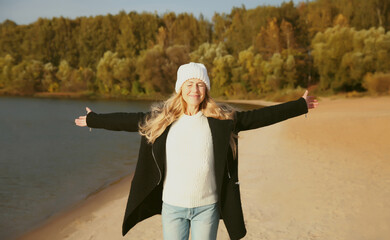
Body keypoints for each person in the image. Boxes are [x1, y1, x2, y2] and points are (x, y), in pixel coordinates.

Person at [75, 62, 318, 240]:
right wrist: (94, 120)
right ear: (180, 88)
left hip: (207, 208)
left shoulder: (222, 120)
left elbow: (260, 116)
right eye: (189, 84)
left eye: (200, 84)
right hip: (172, 207)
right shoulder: (162, 120)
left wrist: (299, 105)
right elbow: (127, 121)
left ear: (206, 89)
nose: (195, 89)